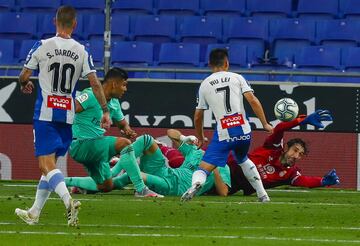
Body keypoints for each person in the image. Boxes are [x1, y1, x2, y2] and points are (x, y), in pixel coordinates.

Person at [15, 5, 111, 227]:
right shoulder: (81, 50)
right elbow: (96, 84)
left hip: (46, 112)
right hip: (67, 113)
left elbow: (24, 75)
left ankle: (68, 201)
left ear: (54, 21)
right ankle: (34, 212)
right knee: (52, 165)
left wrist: (25, 83)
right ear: (75, 24)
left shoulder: (42, 45)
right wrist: (105, 110)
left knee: (45, 165)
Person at [181, 48, 273, 202]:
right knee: (243, 159)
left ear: (209, 64)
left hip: (224, 133)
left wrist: (201, 136)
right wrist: (265, 123)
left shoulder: (204, 85)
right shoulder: (237, 77)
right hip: (243, 130)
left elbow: (198, 116)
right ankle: (262, 194)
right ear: (227, 63)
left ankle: (196, 184)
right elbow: (253, 100)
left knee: (203, 168)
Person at [67, 67, 162, 199]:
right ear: (114, 84)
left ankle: (61, 182)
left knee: (106, 186)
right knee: (124, 144)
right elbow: (70, 109)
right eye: (123, 85)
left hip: (95, 149)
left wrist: (127, 130)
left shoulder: (114, 103)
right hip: (81, 144)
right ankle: (141, 189)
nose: (125, 89)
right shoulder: (90, 95)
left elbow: (122, 124)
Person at [66, 130, 231, 197]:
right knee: (146, 140)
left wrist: (213, 166)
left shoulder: (223, 167)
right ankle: (114, 172)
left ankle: (67, 181)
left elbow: (223, 192)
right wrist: (183, 138)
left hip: (173, 187)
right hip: (166, 173)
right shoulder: (196, 153)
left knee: (131, 178)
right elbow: (170, 133)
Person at [227, 110, 340, 196]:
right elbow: (280, 128)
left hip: (230, 186)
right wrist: (301, 120)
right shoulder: (273, 147)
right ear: (286, 147)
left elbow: (305, 181)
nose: (296, 156)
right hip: (225, 167)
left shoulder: (289, 174)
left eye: (300, 154)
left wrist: (323, 181)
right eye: (295, 150)